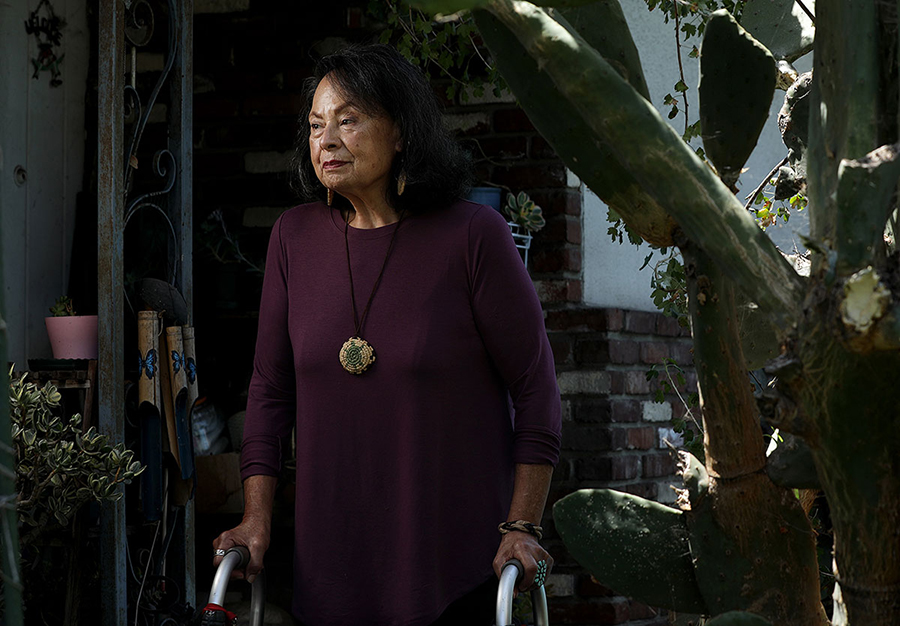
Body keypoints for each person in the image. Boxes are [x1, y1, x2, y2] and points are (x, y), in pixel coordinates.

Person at [213, 43, 562, 626]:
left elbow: (537, 389)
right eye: (316, 125)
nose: (326, 140)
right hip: (329, 570)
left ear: (401, 132)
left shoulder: (474, 237)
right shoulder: (293, 239)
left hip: (453, 570)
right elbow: (270, 391)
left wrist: (521, 526)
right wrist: (257, 518)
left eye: (348, 121)